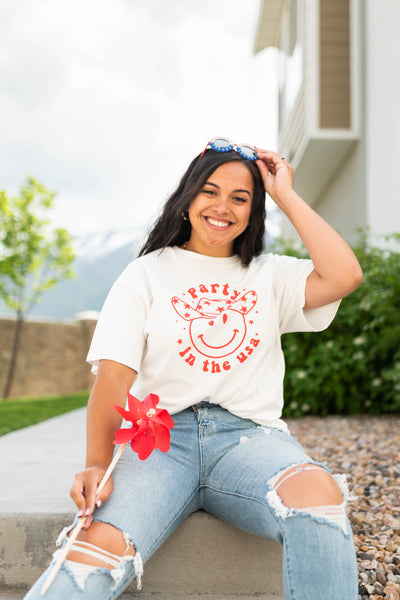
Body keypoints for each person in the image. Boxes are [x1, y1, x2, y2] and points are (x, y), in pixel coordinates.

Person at [24, 137, 363, 600]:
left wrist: (284, 192)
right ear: (187, 198)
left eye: (240, 198)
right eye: (210, 190)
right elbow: (114, 379)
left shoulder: (271, 275)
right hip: (159, 443)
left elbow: (345, 275)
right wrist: (95, 468)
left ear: (253, 212)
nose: (222, 206)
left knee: (319, 496)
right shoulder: (146, 274)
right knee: (96, 548)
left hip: (251, 440)